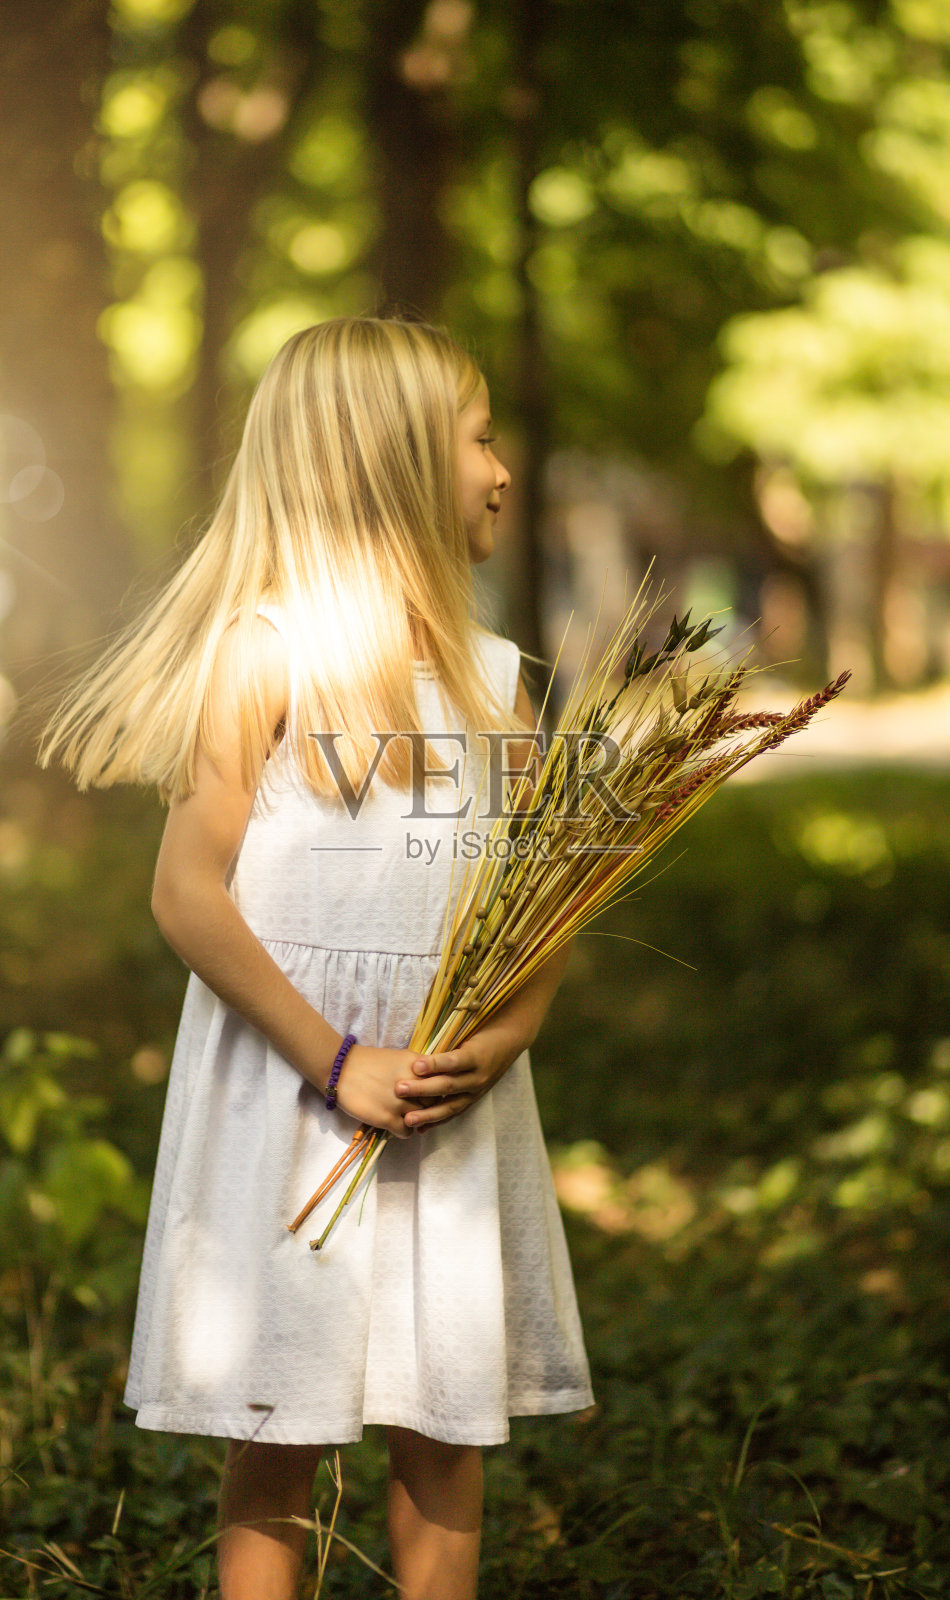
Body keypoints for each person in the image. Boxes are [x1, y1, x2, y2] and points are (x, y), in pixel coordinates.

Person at [38, 316, 593, 1600]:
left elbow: (544, 901)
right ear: (391, 464)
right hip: (292, 1090)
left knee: (443, 1425)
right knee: (274, 1421)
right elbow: (187, 894)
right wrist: (337, 1060)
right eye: (478, 438)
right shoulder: (266, 654)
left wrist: (504, 1034)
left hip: (445, 1097)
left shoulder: (496, 682)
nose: (501, 469)